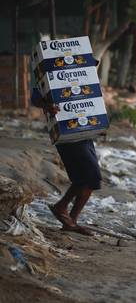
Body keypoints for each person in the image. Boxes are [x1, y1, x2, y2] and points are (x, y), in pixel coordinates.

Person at [31, 86, 100, 236]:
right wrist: (46, 106)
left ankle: (71, 221)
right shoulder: (47, 70)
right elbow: (35, 97)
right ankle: (62, 208)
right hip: (64, 130)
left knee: (87, 178)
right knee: (91, 175)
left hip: (83, 129)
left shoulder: (82, 70)